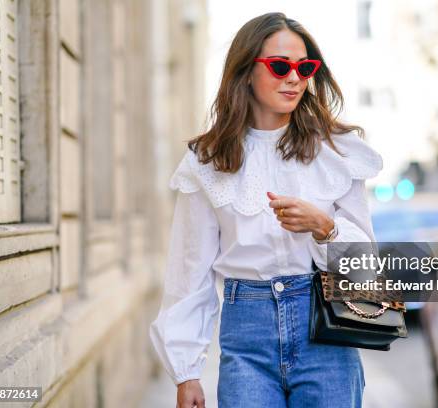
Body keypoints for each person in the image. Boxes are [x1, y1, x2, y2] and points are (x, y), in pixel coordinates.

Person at [149, 12, 383, 408]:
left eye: (304, 68)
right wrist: (185, 371)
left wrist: (325, 227)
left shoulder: (337, 153)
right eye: (279, 66)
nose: (293, 78)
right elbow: (189, 271)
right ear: (246, 72)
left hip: (325, 333)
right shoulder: (207, 161)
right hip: (246, 337)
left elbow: (367, 267)